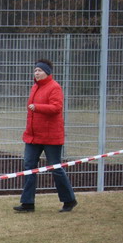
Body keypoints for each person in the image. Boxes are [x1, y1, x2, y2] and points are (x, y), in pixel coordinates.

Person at [14, 59, 78, 213]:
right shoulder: (34, 87)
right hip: (33, 136)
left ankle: (69, 200)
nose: (36, 73)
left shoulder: (55, 87)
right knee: (29, 167)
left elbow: (56, 108)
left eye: (40, 70)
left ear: (47, 73)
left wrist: (37, 107)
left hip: (51, 137)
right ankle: (27, 203)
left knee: (55, 167)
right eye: (35, 70)